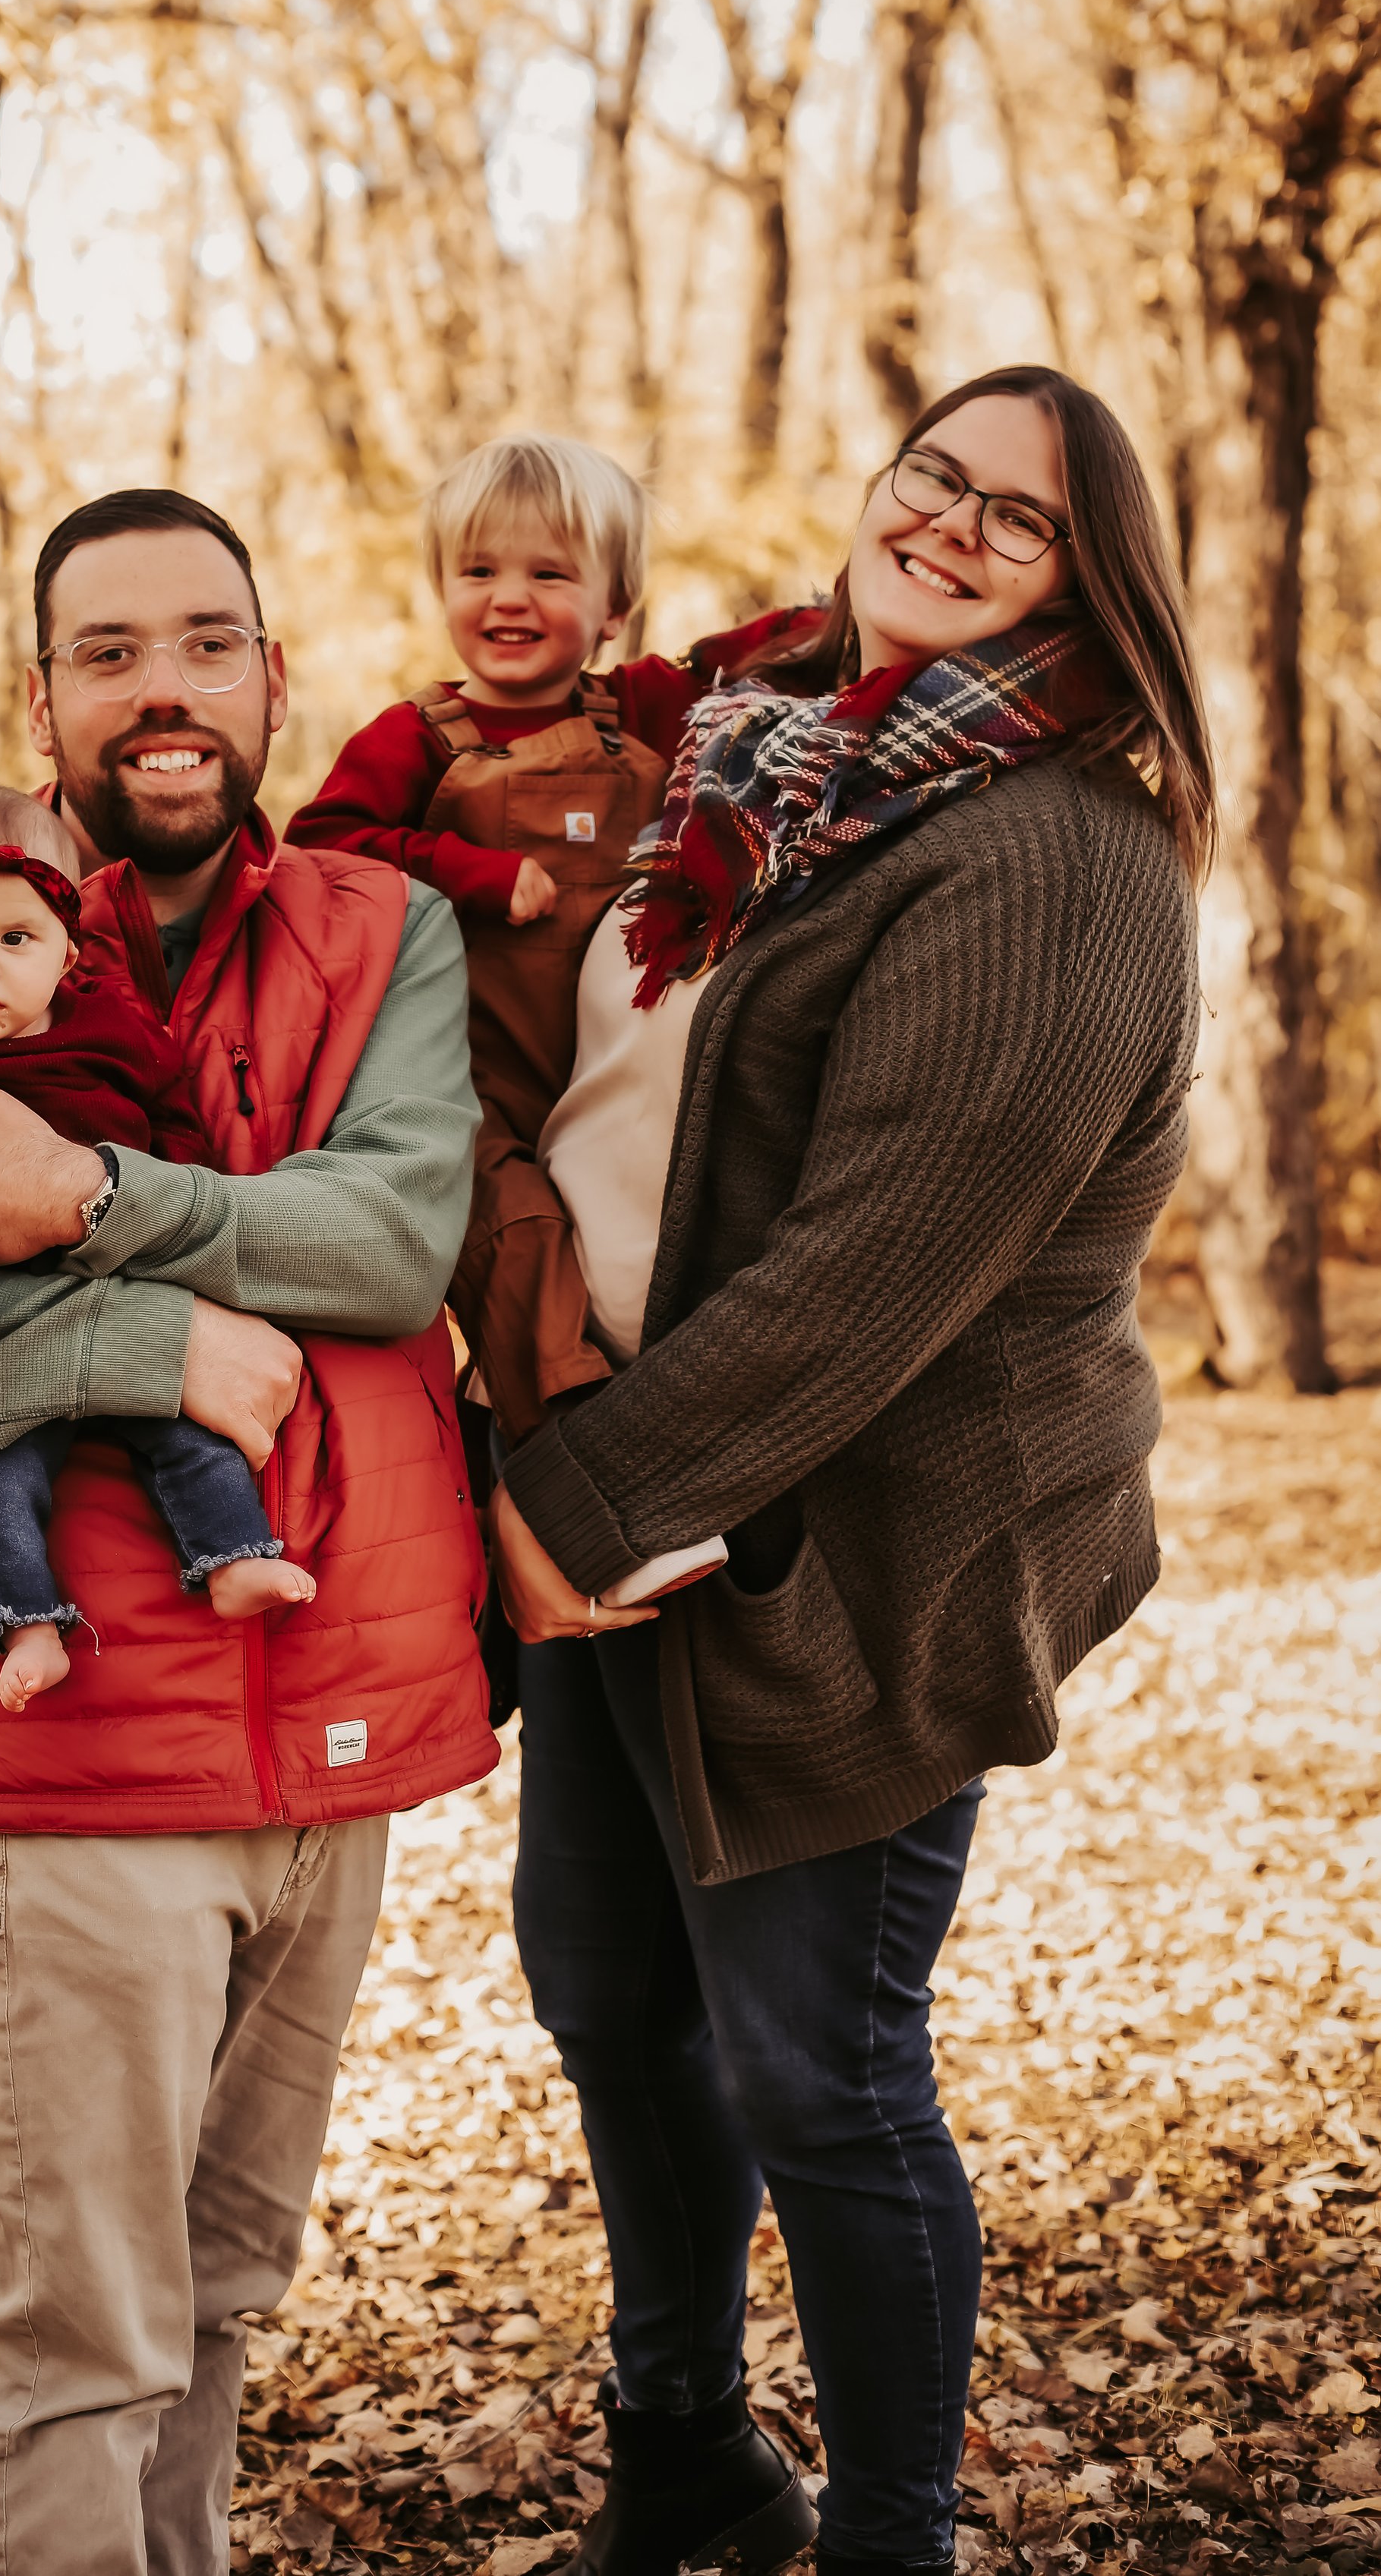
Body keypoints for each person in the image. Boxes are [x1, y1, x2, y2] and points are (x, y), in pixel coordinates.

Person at [0, 486, 498, 2576]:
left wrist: (92, 1202)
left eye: (207, 643)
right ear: (41, 694)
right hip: (60, 1742)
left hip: (331, 1727)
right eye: (112, 651)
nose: (166, 690)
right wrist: (146, 1342)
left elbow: (392, 1237)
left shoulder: (379, 932)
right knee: (76, 2340)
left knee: (217, 2301)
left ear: (271, 677)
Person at [488, 367, 1214, 2576]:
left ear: (1089, 580)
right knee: (614, 1997)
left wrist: (559, 1509)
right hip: (643, 1480)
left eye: (1019, 515)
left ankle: (894, 2536)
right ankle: (688, 2451)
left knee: (817, 2063)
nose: (950, 524)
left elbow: (865, 1272)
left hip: (857, 1549)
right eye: (933, 474)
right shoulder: (769, 753)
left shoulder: (1053, 858)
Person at [0, 784, 315, 1717]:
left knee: (194, 1429)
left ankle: (233, 1559)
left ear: (66, 950)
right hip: (1, 1325)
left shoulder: (113, 1029)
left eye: (14, 939)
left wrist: (180, 1227)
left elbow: (173, 1122)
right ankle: (27, 1625)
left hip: (130, 1290)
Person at [286, 434, 710, 1450]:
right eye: (478, 570)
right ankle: (566, 1445)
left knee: (657, 1256)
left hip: (617, 1076)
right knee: (515, 1235)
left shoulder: (642, 709)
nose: (508, 597)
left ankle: (678, 1429)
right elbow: (319, 849)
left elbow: (765, 657)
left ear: (614, 608)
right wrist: (466, 870)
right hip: (477, 1076)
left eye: (549, 574)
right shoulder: (415, 737)